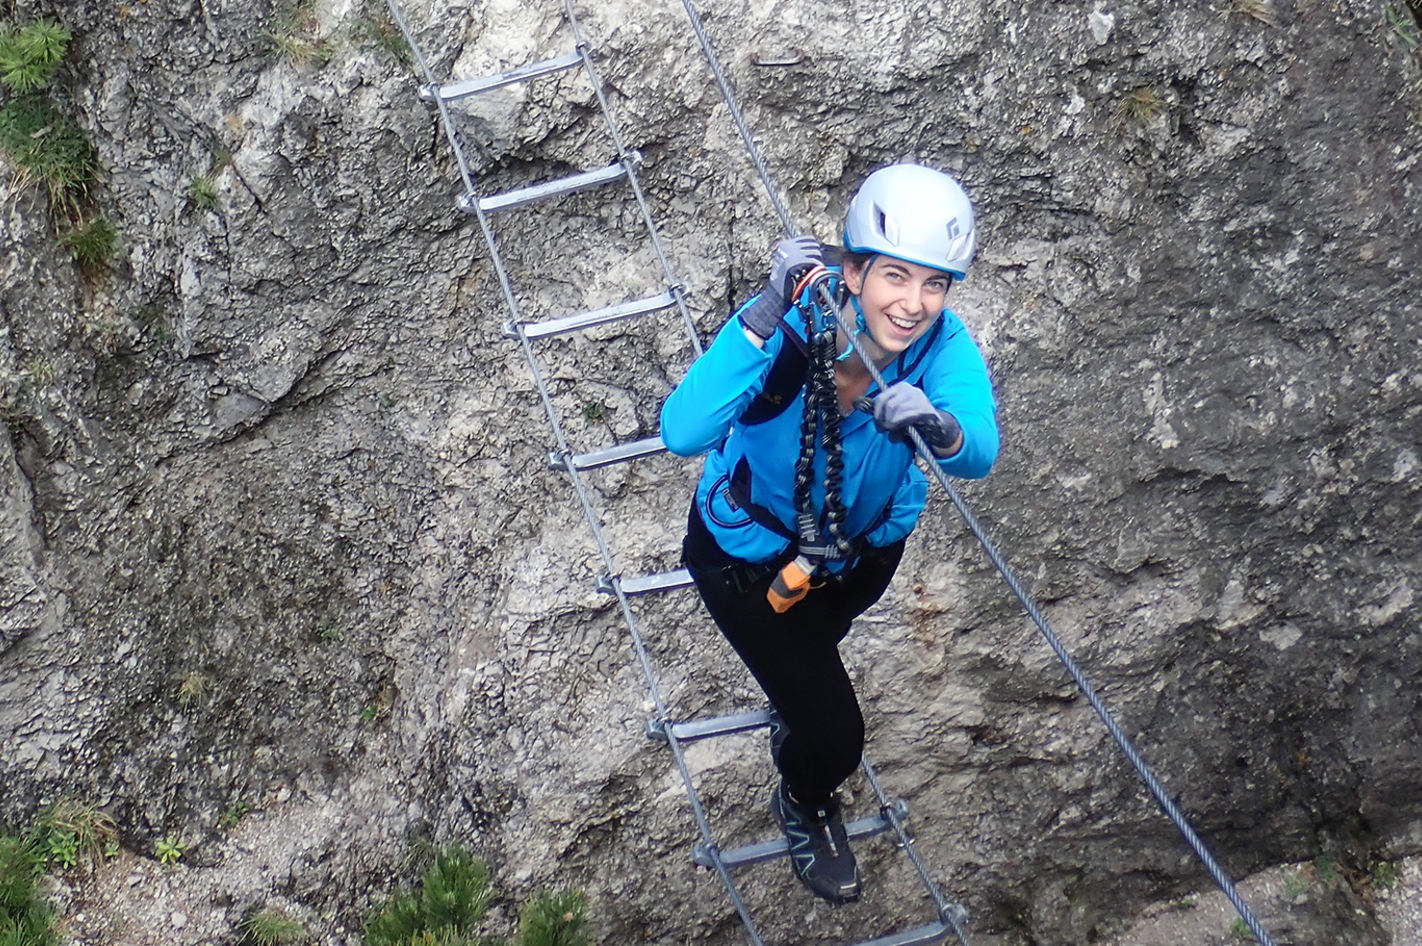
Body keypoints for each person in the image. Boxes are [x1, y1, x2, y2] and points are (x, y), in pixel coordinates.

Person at [659, 163, 998, 904]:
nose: (914, 304)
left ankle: (799, 691)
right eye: (896, 277)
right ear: (853, 269)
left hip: (859, 556)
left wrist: (936, 425)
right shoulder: (783, 327)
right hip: (748, 566)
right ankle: (806, 796)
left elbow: (980, 449)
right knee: (837, 739)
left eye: (935, 284)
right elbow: (682, 431)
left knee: (822, 643)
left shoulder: (940, 346)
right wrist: (758, 314)